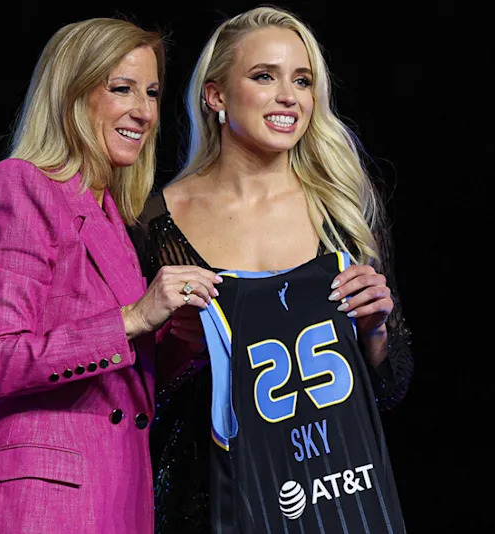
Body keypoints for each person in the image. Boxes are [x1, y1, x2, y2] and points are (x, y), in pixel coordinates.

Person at [135, 7, 413, 533]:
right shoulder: (153, 223)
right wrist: (178, 350)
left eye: (303, 80)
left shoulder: (343, 210)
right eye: (265, 76)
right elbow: (133, 400)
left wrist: (376, 328)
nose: (290, 96)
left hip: (334, 500)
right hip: (206, 507)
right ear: (216, 95)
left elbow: (391, 386)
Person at [0, 18, 220, 534]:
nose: (143, 112)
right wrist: (135, 317)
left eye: (152, 93)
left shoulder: (113, 218)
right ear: (71, 96)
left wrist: (180, 343)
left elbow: (115, 387)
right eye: (121, 89)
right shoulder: (22, 185)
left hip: (118, 492)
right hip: (39, 500)